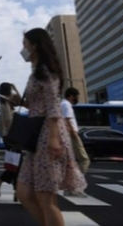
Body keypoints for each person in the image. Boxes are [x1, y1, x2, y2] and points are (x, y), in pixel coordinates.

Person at [16, 28, 86, 226]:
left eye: (25, 45)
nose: (23, 49)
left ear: (35, 46)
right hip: (35, 136)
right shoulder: (36, 73)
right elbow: (41, 105)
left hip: (48, 134)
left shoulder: (47, 71)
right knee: (24, 192)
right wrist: (19, 102)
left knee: (45, 197)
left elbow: (54, 106)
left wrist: (54, 139)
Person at [60, 87, 90, 197]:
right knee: (84, 159)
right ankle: (76, 185)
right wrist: (75, 135)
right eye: (76, 96)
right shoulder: (66, 105)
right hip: (71, 135)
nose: (77, 98)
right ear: (71, 96)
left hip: (67, 136)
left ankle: (70, 187)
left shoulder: (63, 104)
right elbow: (67, 121)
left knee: (70, 163)